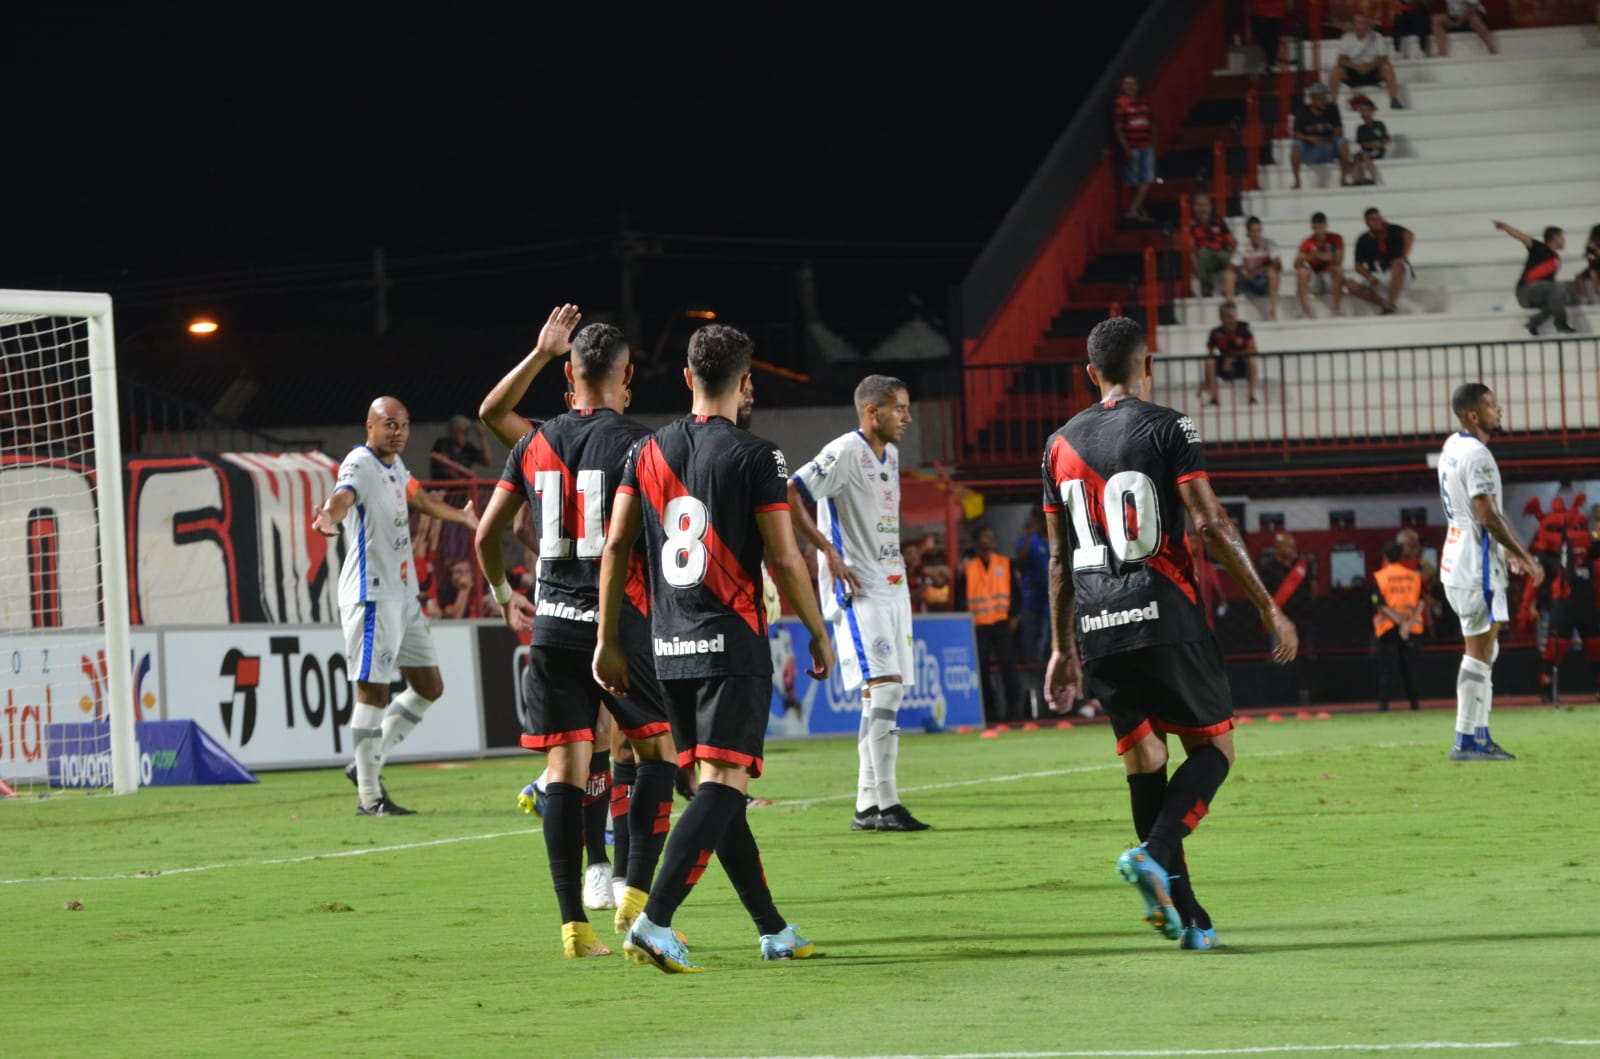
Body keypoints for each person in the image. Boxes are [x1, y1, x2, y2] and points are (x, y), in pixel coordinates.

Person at [1041, 315, 1297, 952]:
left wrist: (1060, 648)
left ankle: (1189, 920)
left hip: (1098, 624)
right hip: (1166, 613)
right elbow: (1208, 521)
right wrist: (1268, 606)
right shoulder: (1167, 425)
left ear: (1090, 372)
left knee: (1144, 760)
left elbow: (1057, 557)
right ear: (1147, 365)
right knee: (1214, 752)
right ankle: (1153, 853)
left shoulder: (1056, 445)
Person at [594, 322, 833, 973]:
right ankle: (654, 920)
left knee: (713, 788)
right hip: (732, 646)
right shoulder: (761, 456)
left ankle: (772, 926)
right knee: (725, 788)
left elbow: (614, 547)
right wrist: (817, 628)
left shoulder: (643, 452)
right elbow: (784, 556)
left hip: (666, 650)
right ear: (747, 381)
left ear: (686, 378)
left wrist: (608, 639)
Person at [474, 315, 688, 960]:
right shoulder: (645, 445)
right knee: (656, 756)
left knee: (564, 771)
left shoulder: (536, 443)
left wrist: (503, 595)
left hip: (551, 628)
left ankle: (574, 928)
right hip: (617, 627)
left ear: (568, 375)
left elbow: (488, 536)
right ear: (627, 376)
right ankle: (635, 900)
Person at [311, 396, 481, 816]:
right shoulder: (360, 461)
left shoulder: (394, 467)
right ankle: (369, 796)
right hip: (372, 595)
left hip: (403, 597)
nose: (398, 432)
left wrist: (462, 517)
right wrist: (328, 518)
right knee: (373, 690)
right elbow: (342, 496)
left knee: (430, 686)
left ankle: (365, 762)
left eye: (404, 425)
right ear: (370, 426)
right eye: (390, 424)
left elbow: (419, 498)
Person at [787, 374, 929, 833]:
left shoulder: (891, 455)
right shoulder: (845, 451)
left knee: (884, 694)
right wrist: (827, 549)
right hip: (858, 588)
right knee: (885, 689)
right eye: (899, 408)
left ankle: (868, 805)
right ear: (873, 412)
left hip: (893, 586)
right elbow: (791, 492)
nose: (907, 417)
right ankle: (886, 802)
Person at [1436, 383, 1543, 760]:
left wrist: (1504, 550)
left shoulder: (1452, 445)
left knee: (1486, 648)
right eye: (1492, 405)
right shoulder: (1479, 455)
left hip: (1457, 554)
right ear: (1473, 415)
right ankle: (1466, 739)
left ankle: (1478, 734)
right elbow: (1489, 516)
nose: (1500, 410)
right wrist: (1525, 556)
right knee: (1479, 650)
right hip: (1475, 564)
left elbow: (1479, 514)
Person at [958, 525, 1023, 726]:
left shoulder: (1005, 564)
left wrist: (1015, 617)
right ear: (977, 542)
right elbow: (960, 600)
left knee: (1009, 669)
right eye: (984, 537)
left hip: (1002, 623)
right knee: (982, 672)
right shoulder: (968, 568)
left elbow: (1016, 594)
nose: (987, 540)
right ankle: (990, 712)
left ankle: (1014, 712)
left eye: (990, 537)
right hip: (978, 626)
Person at [1259, 531, 1316, 706]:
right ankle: (1281, 701)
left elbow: (1313, 589)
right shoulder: (1268, 568)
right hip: (1280, 622)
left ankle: (1305, 696)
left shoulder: (1303, 565)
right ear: (1278, 547)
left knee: (1306, 657)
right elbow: (1263, 597)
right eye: (1288, 546)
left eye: (1293, 545)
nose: (1293, 549)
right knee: (1282, 658)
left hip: (1303, 619)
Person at [1492, 220, 1576, 336]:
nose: (1564, 240)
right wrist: (1505, 227)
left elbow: (1551, 284)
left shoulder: (1556, 259)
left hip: (1540, 294)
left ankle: (1533, 323)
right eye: (1562, 237)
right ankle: (1561, 324)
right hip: (1526, 291)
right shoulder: (1538, 247)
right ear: (1555, 237)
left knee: (1559, 297)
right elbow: (1521, 236)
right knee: (1559, 288)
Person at [1371, 540, 1425, 712]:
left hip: (1388, 629)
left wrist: (1400, 623)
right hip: (1412, 629)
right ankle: (1415, 705)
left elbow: (1379, 605)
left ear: (1385, 557)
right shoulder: (1415, 576)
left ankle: (1383, 706)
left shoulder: (1379, 577)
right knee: (1411, 669)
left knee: (1388, 668)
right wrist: (1407, 624)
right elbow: (1422, 602)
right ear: (1401, 556)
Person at [430, 413, 492, 562]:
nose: (464, 435)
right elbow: (445, 467)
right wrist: (464, 480)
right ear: (452, 431)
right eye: (461, 431)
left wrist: (481, 436)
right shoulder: (443, 443)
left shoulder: (467, 448)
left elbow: (488, 460)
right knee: (442, 539)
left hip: (462, 501)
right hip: (444, 498)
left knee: (462, 539)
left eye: (466, 432)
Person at [1329, 13, 1404, 109]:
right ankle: (1333, 104)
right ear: (1353, 25)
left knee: (1387, 67)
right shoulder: (1347, 38)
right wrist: (1356, 66)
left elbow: (1383, 58)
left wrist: (1370, 66)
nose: (1362, 25)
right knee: (1336, 70)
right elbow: (1341, 60)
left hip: (1372, 71)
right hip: (1354, 72)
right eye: (1359, 22)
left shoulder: (1377, 37)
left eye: (1364, 22)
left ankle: (1394, 100)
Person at [1348, 207, 1413, 314]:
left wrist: (1404, 256)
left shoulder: (1391, 230)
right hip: (1378, 275)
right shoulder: (1363, 240)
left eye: (1379, 219)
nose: (1378, 222)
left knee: (1397, 264)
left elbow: (1409, 235)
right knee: (1350, 284)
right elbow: (1357, 265)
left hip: (1398, 273)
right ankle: (1384, 303)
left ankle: (1391, 304)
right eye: (1373, 220)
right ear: (1367, 222)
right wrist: (1368, 276)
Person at [1290, 83, 1353, 191]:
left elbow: (1339, 131)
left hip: (1328, 147)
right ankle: (1297, 181)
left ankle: (1343, 179)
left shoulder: (1332, 108)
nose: (1324, 102)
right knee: (1296, 145)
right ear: (1313, 99)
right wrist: (1312, 139)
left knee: (1343, 141)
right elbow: (1296, 134)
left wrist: (1327, 141)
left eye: (1325, 98)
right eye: (1321, 99)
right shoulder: (1302, 111)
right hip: (1310, 150)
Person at [1112, 75, 1156, 223]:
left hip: (1147, 147)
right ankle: (1135, 211)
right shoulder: (1120, 104)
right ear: (1123, 87)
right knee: (1134, 182)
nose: (1131, 86)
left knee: (1148, 179)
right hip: (1133, 149)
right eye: (1127, 84)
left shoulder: (1144, 102)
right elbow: (1118, 128)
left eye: (1133, 83)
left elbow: (1151, 123)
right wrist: (1126, 148)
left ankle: (1133, 210)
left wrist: (1152, 143)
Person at [1200, 301, 1259, 406]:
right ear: (1221, 317)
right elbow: (1210, 353)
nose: (1233, 320)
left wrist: (1232, 358)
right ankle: (1214, 398)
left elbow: (1253, 349)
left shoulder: (1244, 328)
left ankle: (1252, 396)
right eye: (1229, 317)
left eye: (1234, 316)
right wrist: (1205, 380)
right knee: (1210, 361)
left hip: (1241, 364)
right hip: (1223, 366)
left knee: (1251, 359)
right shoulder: (1215, 333)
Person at [1224, 215, 1282, 320]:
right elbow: (1230, 268)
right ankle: (1230, 313)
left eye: (1259, 231)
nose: (1257, 234)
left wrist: (1256, 270)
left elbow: (1278, 265)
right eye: (1254, 231)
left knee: (1273, 273)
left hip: (1264, 283)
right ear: (1248, 233)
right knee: (1229, 275)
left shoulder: (1269, 244)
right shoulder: (1242, 247)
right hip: (1247, 283)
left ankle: (1273, 313)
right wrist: (1244, 267)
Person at [1013, 511, 1052, 665]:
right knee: (1030, 635)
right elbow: (1020, 564)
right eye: (1041, 519)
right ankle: (1031, 668)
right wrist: (1029, 535)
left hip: (1050, 599)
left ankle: (1048, 666)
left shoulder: (1054, 539)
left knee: (1047, 636)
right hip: (1031, 597)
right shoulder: (1029, 540)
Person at [1294, 211, 1345, 317]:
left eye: (1321, 227)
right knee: (1301, 272)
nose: (1319, 231)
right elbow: (1296, 263)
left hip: (1329, 277)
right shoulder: (1307, 242)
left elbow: (1339, 260)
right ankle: (1305, 312)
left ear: (1326, 226)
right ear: (1312, 227)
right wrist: (1314, 256)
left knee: (1338, 270)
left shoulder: (1336, 239)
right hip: (1315, 277)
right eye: (1316, 228)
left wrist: (1317, 255)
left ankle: (1336, 310)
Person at [1188, 193, 1234, 298]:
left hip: (1221, 253)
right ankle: (1207, 289)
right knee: (1204, 253)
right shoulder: (1192, 225)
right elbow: (1192, 249)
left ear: (1210, 207)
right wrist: (1195, 268)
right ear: (1194, 208)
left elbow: (1232, 241)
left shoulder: (1218, 221)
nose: (1202, 208)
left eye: (1205, 205)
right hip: (1207, 258)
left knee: (1228, 257)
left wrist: (1233, 251)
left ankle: (1235, 286)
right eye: (1199, 205)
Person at [1349, 94, 1388, 186]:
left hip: (1378, 150)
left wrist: (1379, 145)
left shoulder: (1379, 124)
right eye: (1361, 111)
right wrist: (1370, 145)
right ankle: (1356, 179)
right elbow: (1362, 142)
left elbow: (1386, 139)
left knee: (1365, 155)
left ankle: (1373, 178)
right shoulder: (1360, 128)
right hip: (1367, 150)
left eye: (1366, 111)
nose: (1363, 114)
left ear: (1371, 111)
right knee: (1357, 157)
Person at [1251, 0, 1293, 73]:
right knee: (1261, 35)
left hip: (1276, 11)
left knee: (1273, 37)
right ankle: (1269, 60)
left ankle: (1270, 62)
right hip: (1259, 11)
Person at [1574, 224, 1600, 306]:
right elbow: (1589, 259)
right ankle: (1583, 300)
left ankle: (1595, 297)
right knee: (1579, 277)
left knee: (1592, 273)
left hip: (1595, 270)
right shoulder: (1591, 245)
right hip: (1594, 268)